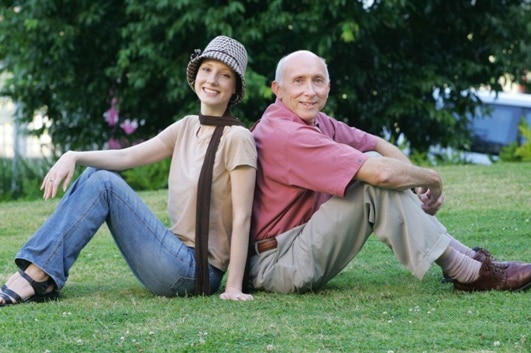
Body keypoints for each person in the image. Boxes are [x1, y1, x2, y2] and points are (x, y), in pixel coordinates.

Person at [0, 35, 256, 306]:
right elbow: (127, 156)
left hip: (194, 271)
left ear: (234, 88)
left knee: (104, 183)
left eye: (224, 74)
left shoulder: (237, 138)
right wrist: (73, 156)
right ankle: (39, 273)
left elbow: (242, 217)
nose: (212, 80)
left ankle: (39, 275)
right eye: (206, 69)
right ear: (196, 76)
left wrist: (233, 286)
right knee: (95, 175)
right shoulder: (187, 126)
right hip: (171, 255)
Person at [248, 50, 531, 294]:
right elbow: (380, 175)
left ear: (328, 88)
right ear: (278, 89)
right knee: (373, 181)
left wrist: (416, 188)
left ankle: (470, 261)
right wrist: (432, 179)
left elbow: (377, 144)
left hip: (297, 245)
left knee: (372, 161)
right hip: (277, 265)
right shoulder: (284, 133)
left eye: (317, 81)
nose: (309, 91)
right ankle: (468, 272)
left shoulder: (315, 120)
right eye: (298, 81)